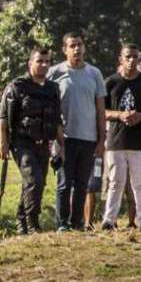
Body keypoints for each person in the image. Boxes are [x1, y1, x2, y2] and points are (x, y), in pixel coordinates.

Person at [0, 47, 64, 234]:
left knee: (36, 183)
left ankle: (22, 224)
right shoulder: (17, 86)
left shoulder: (53, 88)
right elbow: (3, 118)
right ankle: (32, 223)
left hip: (44, 143)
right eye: (39, 61)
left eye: (47, 61)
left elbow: (57, 119)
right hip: (22, 143)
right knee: (34, 180)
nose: (44, 65)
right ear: (30, 63)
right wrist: (3, 143)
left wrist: (62, 146)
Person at [48, 32, 107, 232]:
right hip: (64, 138)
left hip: (89, 138)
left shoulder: (94, 73)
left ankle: (77, 222)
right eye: (72, 45)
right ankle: (62, 224)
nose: (77, 49)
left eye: (80, 45)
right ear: (64, 49)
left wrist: (102, 140)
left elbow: (100, 109)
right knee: (64, 183)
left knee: (83, 184)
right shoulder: (55, 72)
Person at [102, 44, 141, 230]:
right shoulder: (111, 82)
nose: (131, 60)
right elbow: (101, 111)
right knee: (116, 182)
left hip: (139, 141)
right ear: (120, 59)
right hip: (116, 140)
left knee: (140, 183)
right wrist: (119, 115)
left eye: (135, 57)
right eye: (128, 57)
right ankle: (109, 220)